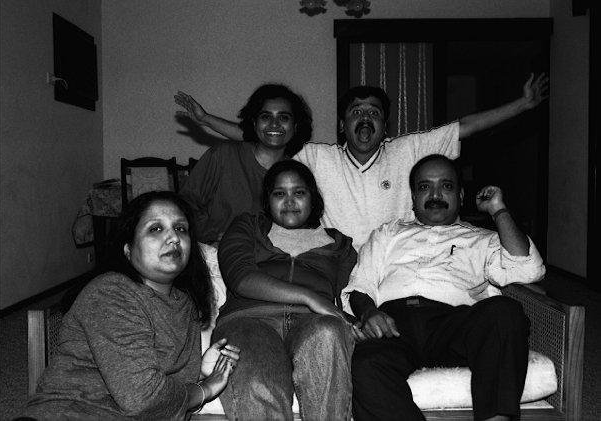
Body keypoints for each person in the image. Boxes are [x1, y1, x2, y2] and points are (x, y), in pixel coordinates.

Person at [175, 74, 548, 249]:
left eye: (374, 112)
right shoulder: (316, 156)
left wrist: (522, 105)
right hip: (339, 262)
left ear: (385, 126)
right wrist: (207, 121)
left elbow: (465, 127)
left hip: (398, 256)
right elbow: (266, 136)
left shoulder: (409, 149)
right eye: (356, 112)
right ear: (342, 124)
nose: (365, 118)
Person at [342, 154, 546, 421]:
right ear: (413, 197)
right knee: (365, 364)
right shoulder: (387, 233)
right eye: (425, 187)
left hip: (453, 324)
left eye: (446, 186)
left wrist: (498, 210)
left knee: (505, 311)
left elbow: (528, 269)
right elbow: (361, 284)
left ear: (460, 195)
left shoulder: (482, 239)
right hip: (394, 325)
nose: (435, 195)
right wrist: (369, 313)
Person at [19, 191, 240, 421]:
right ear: (128, 249)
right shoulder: (110, 293)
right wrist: (206, 389)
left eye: (181, 228)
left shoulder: (186, 304)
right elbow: (144, 399)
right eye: (156, 228)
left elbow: (167, 396)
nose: (174, 237)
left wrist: (201, 371)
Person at [212, 160, 358, 421]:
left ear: (313, 198)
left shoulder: (340, 244)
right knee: (258, 381)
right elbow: (240, 277)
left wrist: (357, 321)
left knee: (328, 333)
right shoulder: (248, 226)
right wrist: (309, 297)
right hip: (249, 319)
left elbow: (352, 292)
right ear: (268, 201)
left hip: (313, 322)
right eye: (279, 193)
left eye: (299, 192)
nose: (289, 201)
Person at [176, 84, 312, 244]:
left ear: (295, 126)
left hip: (270, 256)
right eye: (266, 117)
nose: (274, 124)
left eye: (283, 117)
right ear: (254, 123)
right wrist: (212, 234)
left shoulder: (296, 174)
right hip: (212, 250)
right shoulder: (223, 155)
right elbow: (185, 203)